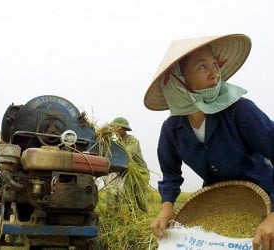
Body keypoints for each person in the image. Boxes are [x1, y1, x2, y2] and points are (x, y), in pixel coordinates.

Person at [144, 34, 274, 250]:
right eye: (202, 67)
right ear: (178, 79)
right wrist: (167, 206)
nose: (215, 74)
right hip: (218, 208)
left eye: (215, 65)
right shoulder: (172, 130)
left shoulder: (240, 111)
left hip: (265, 200)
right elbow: (170, 175)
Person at [104, 117, 150, 212]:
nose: (114, 130)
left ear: (123, 129)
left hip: (140, 173)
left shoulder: (132, 140)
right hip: (125, 174)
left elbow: (126, 154)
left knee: (140, 200)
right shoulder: (116, 143)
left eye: (116, 128)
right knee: (125, 199)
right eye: (112, 128)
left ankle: (144, 218)